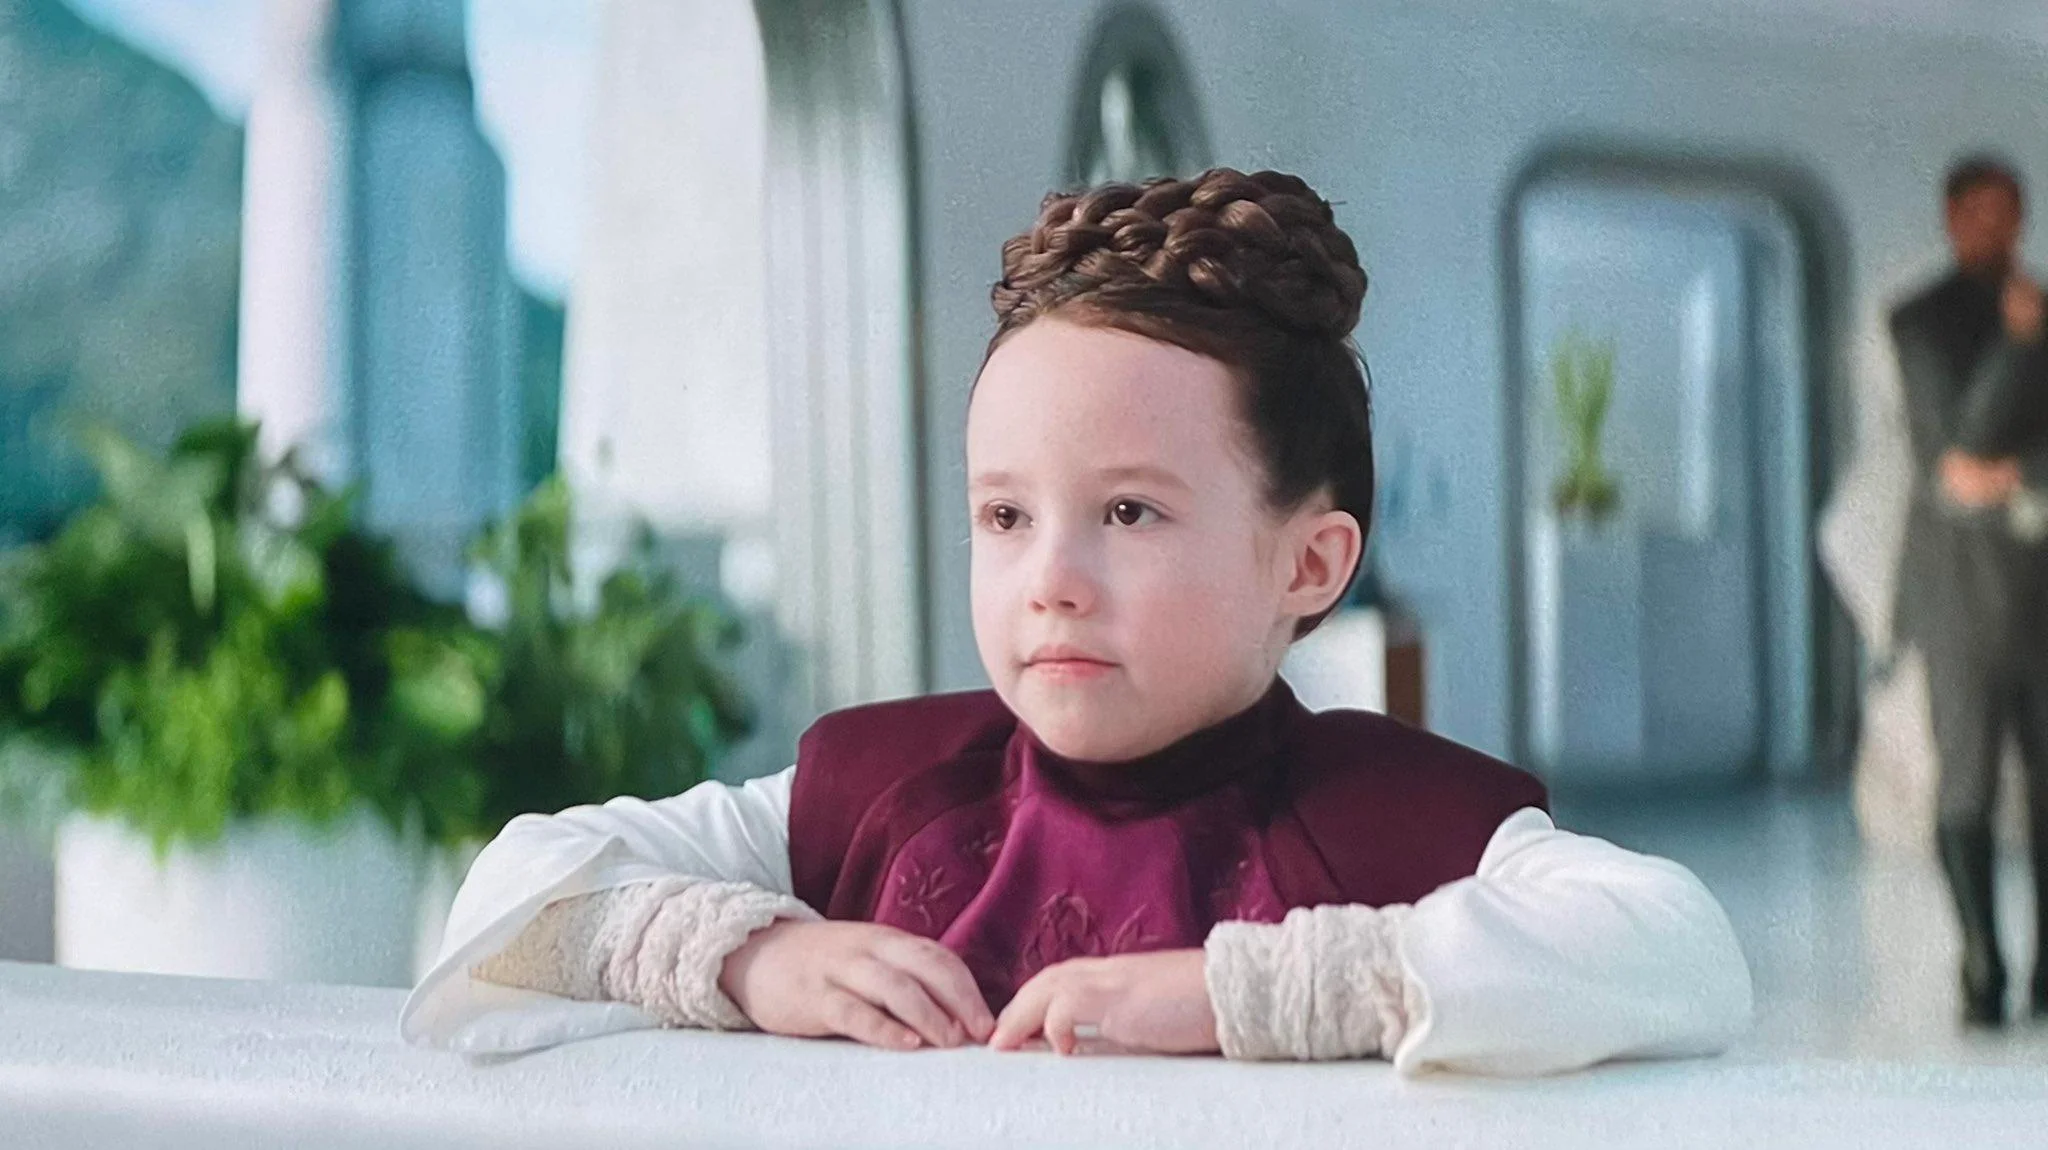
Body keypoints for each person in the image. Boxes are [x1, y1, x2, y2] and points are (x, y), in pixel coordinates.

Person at [400, 169, 1752, 1075]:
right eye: (1004, 516)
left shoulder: (1398, 819)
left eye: (1130, 514)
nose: (1051, 576)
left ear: (1313, 561)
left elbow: (1679, 945)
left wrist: (1246, 992)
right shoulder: (881, 791)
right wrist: (756, 951)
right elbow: (518, 894)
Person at [1889, 154, 2048, 1028]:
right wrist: (2021, 349)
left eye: (2011, 212)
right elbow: (1951, 460)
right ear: (1952, 218)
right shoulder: (1919, 322)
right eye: (1982, 213)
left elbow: (1990, 469)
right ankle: (1981, 961)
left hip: (2041, 593)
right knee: (1969, 786)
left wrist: (2018, 477)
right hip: (1958, 599)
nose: (1999, 230)